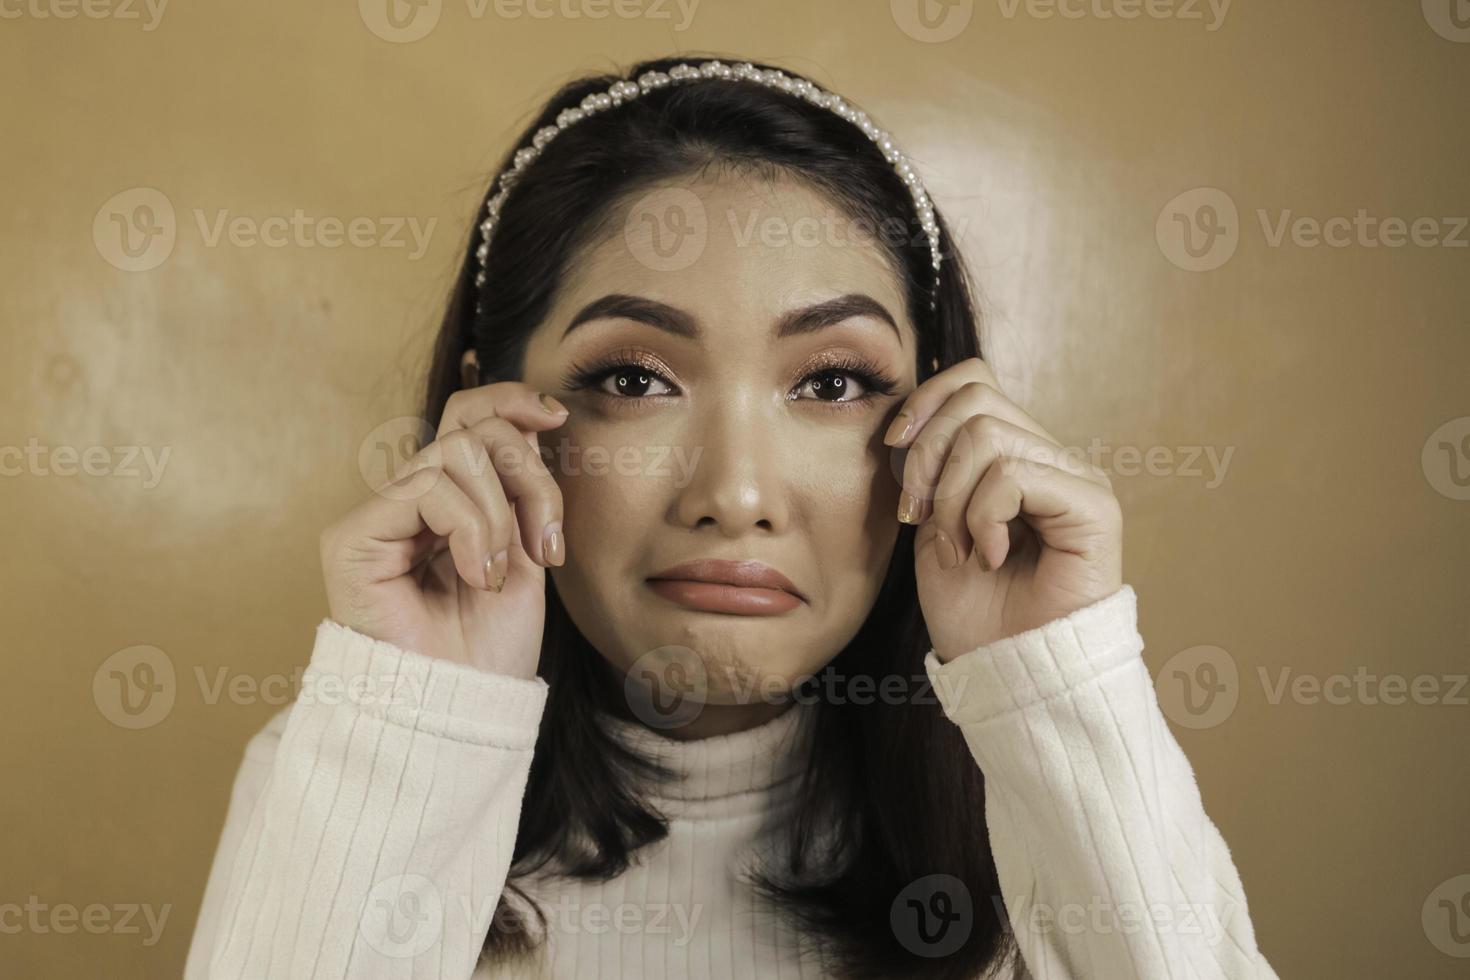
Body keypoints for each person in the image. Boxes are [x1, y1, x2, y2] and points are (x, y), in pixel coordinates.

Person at [185, 55, 1277, 979]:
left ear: (938, 429)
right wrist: (417, 711)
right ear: (493, 417)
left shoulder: (1038, 792)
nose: (738, 493)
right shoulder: (339, 763)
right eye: (633, 377)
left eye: (835, 383)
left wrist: (1054, 679)